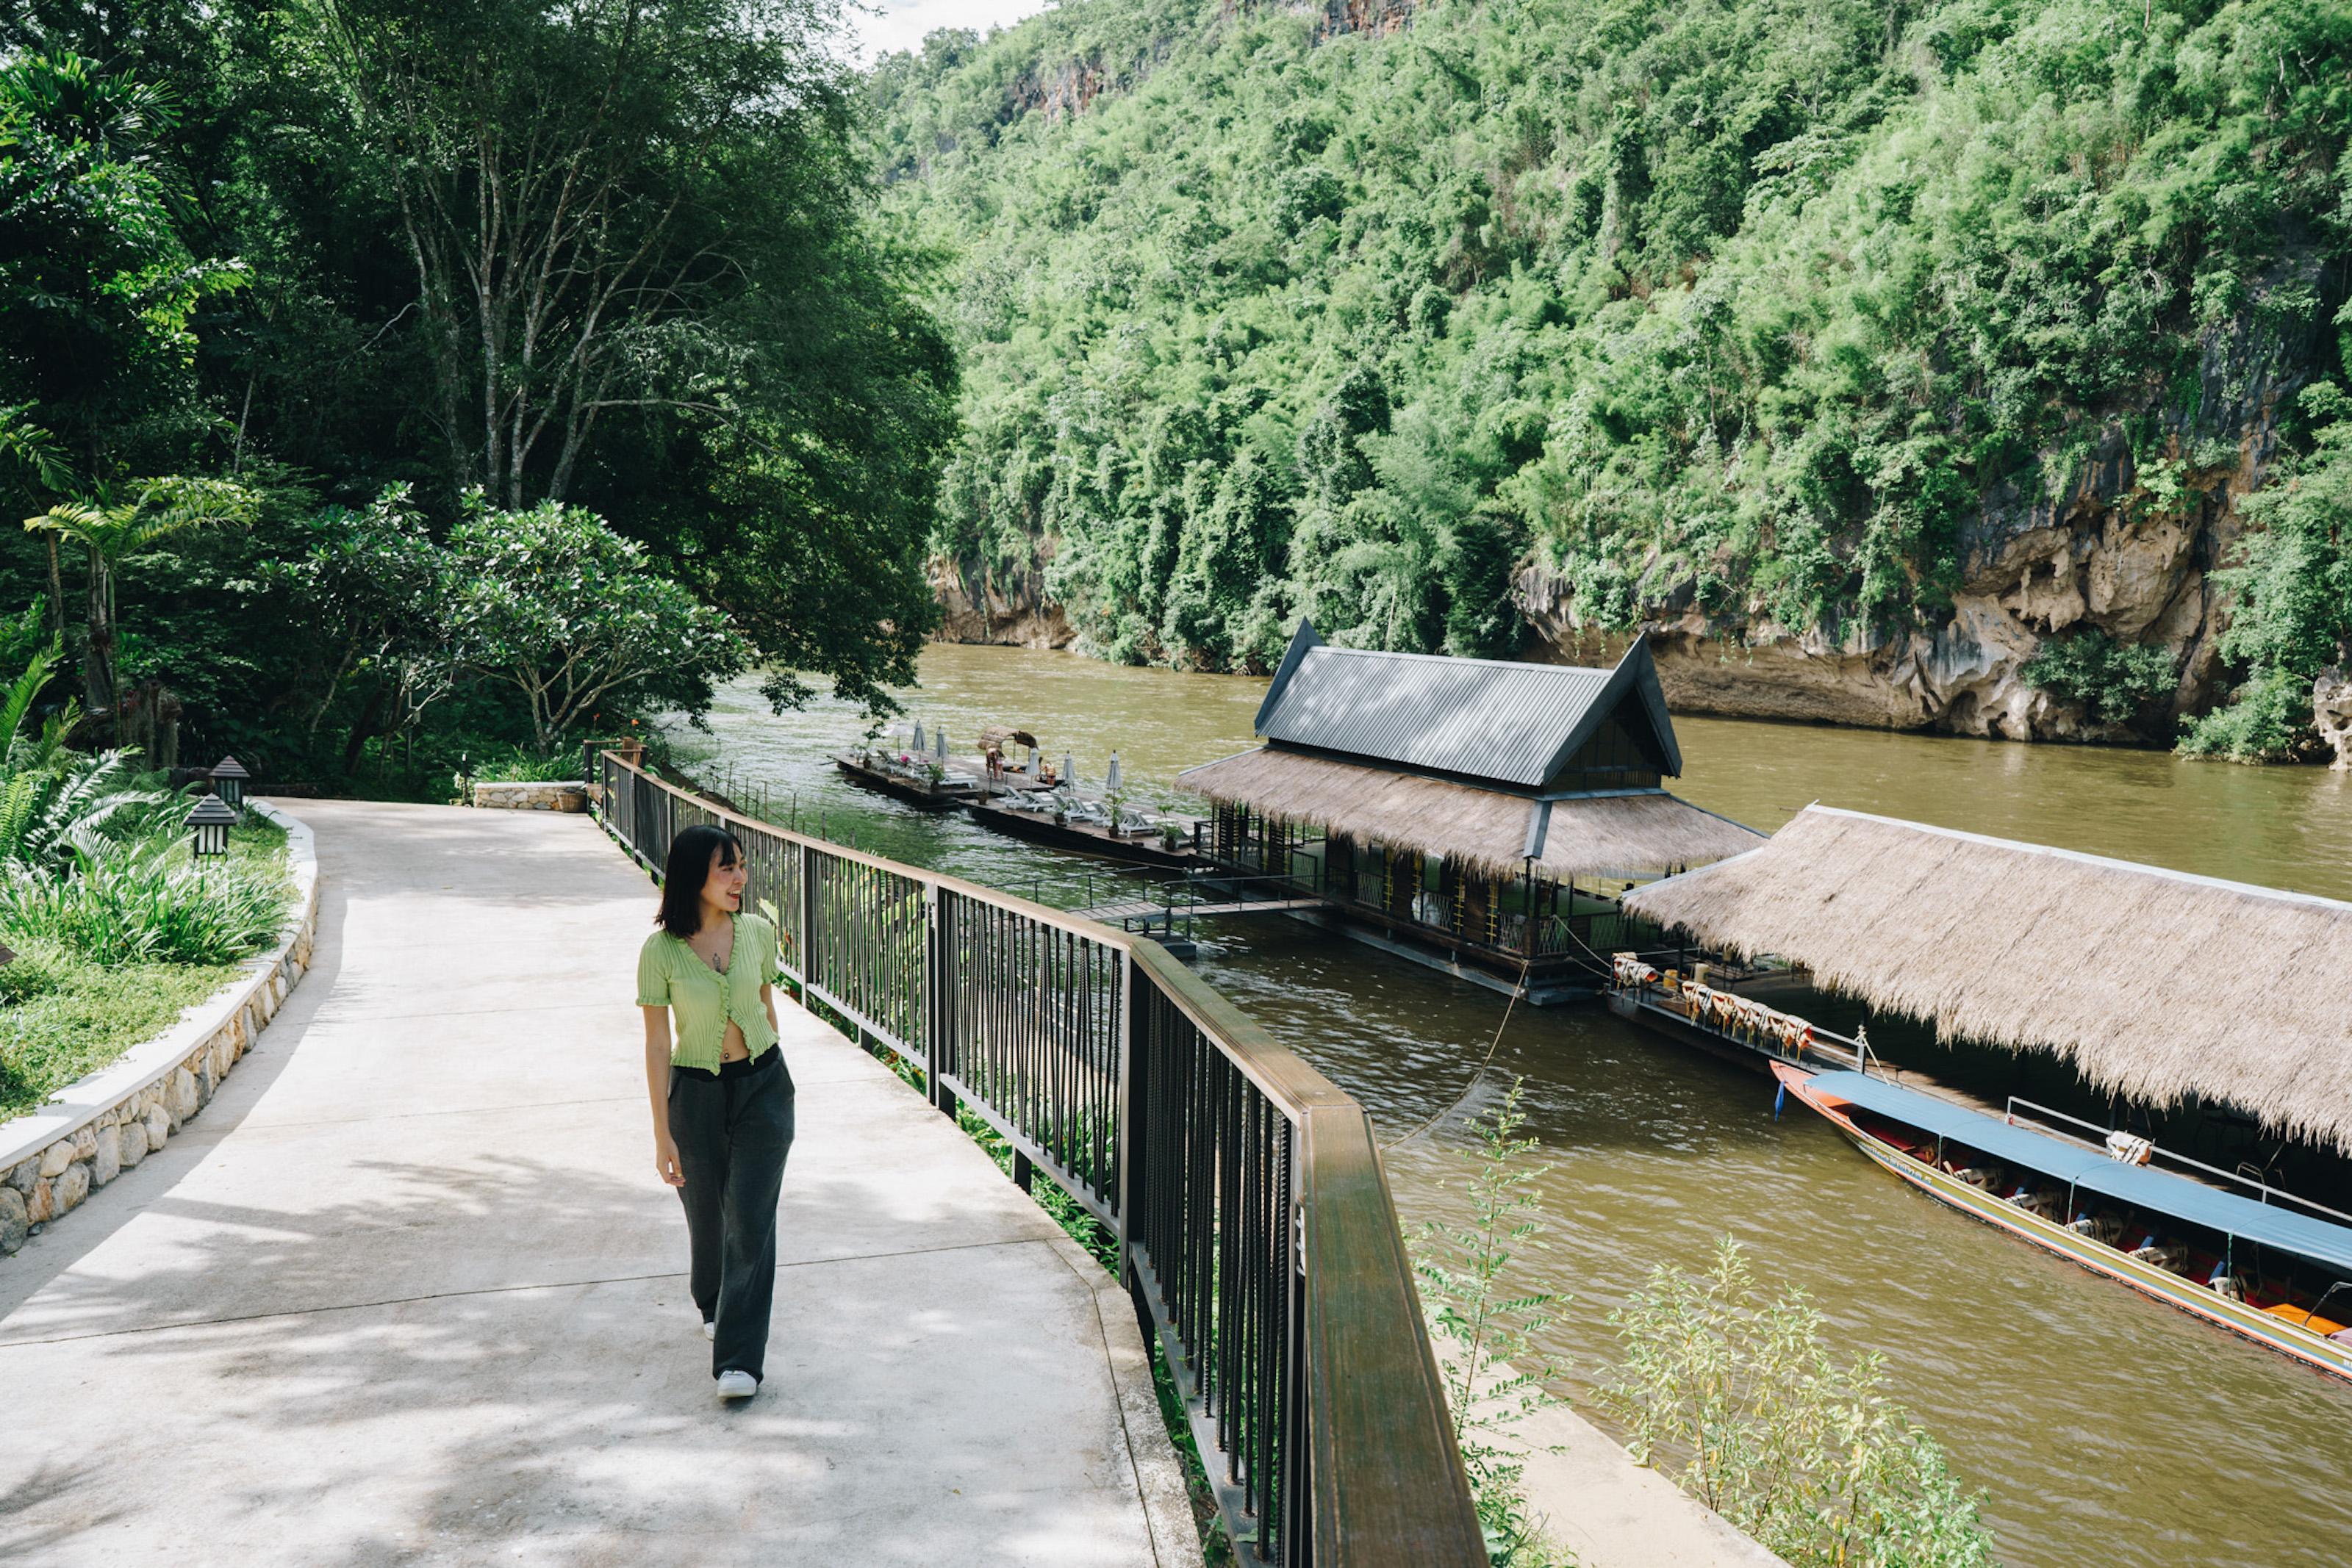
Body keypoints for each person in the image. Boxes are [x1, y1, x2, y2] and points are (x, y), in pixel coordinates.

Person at [637, 823, 795, 1401]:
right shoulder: (661, 951)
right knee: (708, 1215)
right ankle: (711, 1296)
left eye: (741, 866)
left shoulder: (756, 931)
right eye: (725, 867)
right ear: (692, 876)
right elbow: (657, 1045)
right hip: (696, 1095)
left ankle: (739, 1362)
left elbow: (765, 1006)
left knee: (750, 1222)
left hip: (764, 1089)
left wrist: (775, 1075)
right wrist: (662, 1135)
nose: (739, 878)